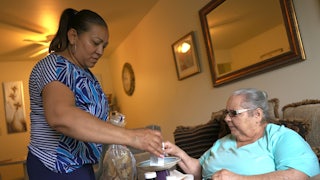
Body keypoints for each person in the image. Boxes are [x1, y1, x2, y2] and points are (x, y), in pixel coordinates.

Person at [27, 8, 163, 180]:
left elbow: (91, 120)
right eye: (95, 42)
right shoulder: (54, 65)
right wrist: (132, 137)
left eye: (104, 46)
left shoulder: (87, 75)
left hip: (83, 165)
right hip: (56, 167)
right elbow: (60, 116)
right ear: (73, 36)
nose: (100, 51)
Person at [164, 88, 320, 180]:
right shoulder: (224, 142)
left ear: (257, 115)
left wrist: (239, 179)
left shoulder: (281, 137)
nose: (226, 118)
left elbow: (298, 175)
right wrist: (176, 152)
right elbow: (199, 169)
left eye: (233, 113)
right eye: (227, 113)